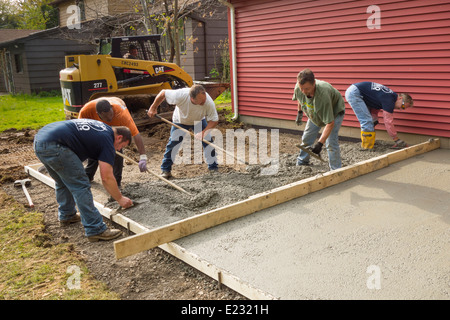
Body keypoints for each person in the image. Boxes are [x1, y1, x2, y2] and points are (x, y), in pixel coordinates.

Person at [33, 119, 133, 242]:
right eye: (121, 146)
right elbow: (106, 177)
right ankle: (95, 229)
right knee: (81, 186)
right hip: (56, 146)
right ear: (119, 138)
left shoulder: (104, 129)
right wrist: (120, 198)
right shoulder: (107, 139)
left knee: (62, 181)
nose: (118, 150)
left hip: (40, 140)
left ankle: (67, 215)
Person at [147, 84, 219, 178]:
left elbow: (214, 120)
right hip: (180, 120)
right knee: (173, 144)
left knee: (208, 142)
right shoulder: (181, 94)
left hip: (198, 120)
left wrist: (203, 133)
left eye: (204, 99)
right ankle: (166, 170)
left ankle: (213, 168)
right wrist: (153, 107)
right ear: (191, 98)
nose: (204, 102)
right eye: (200, 101)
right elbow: (163, 93)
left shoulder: (208, 102)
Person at [78, 97, 148, 187]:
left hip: (117, 121)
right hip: (95, 124)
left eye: (110, 114)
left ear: (112, 109)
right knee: (95, 148)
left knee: (117, 150)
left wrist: (143, 157)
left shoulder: (121, 114)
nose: (109, 118)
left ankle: (116, 182)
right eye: (106, 117)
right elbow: (81, 131)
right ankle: (88, 175)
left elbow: (136, 134)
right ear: (98, 114)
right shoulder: (86, 111)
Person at [292, 68, 346, 170]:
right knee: (307, 137)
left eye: (307, 89)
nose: (303, 91)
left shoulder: (323, 95)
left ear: (314, 83)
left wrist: (320, 144)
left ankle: (335, 170)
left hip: (334, 111)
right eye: (301, 88)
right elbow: (300, 98)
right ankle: (302, 162)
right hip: (314, 110)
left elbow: (330, 123)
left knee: (331, 143)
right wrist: (299, 112)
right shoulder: (299, 88)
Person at [345, 82, 413, 149]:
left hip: (358, 92)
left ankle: (370, 142)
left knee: (372, 121)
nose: (400, 109)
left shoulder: (389, 96)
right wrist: (395, 138)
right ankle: (367, 147)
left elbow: (375, 106)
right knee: (367, 121)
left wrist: (374, 120)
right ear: (400, 98)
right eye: (403, 106)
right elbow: (388, 122)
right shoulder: (389, 101)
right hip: (355, 93)